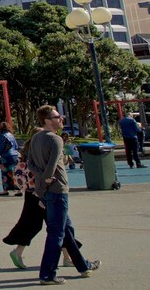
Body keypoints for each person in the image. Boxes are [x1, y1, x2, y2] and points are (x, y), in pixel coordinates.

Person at [27, 104, 101, 284]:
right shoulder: (55, 139)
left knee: (67, 229)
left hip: (46, 191)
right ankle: (47, 274)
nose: (61, 119)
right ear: (47, 120)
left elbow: (30, 164)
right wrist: (45, 182)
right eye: (57, 117)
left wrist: (41, 186)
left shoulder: (36, 138)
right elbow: (51, 168)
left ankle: (83, 265)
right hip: (57, 191)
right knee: (56, 233)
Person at [3, 128, 81, 270]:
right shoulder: (39, 154)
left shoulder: (27, 153)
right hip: (43, 193)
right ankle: (68, 258)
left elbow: (20, 177)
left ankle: (66, 256)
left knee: (36, 225)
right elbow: (48, 171)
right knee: (61, 225)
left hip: (32, 194)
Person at [0, 122, 20, 195]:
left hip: (6, 156)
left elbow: (1, 147)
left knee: (5, 173)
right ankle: (18, 188)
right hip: (14, 155)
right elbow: (16, 146)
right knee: (14, 172)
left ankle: (6, 190)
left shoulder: (2, 136)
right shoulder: (11, 135)